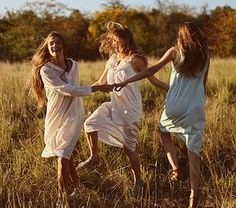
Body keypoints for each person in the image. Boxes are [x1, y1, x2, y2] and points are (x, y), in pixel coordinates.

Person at [114, 22, 210, 208]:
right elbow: (203, 84)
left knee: (163, 130)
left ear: (182, 36)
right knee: (193, 153)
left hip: (175, 105)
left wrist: (127, 81)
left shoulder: (175, 51)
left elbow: (151, 70)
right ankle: (193, 197)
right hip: (196, 106)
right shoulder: (205, 55)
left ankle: (175, 170)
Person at [77, 21, 168, 197]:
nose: (116, 43)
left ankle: (139, 182)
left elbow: (153, 79)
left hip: (129, 110)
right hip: (113, 106)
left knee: (129, 149)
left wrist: (173, 90)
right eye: (113, 40)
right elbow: (101, 82)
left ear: (127, 40)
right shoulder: (112, 60)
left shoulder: (135, 60)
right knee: (90, 123)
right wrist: (79, 92)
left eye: (119, 40)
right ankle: (94, 156)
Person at [31, 31, 114, 203]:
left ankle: (63, 197)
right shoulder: (46, 70)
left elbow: (74, 89)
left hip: (74, 114)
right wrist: (96, 89)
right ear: (47, 47)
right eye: (51, 44)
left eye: (58, 42)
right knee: (67, 152)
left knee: (63, 154)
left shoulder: (74, 65)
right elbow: (67, 89)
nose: (55, 46)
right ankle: (76, 186)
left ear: (64, 45)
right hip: (56, 115)